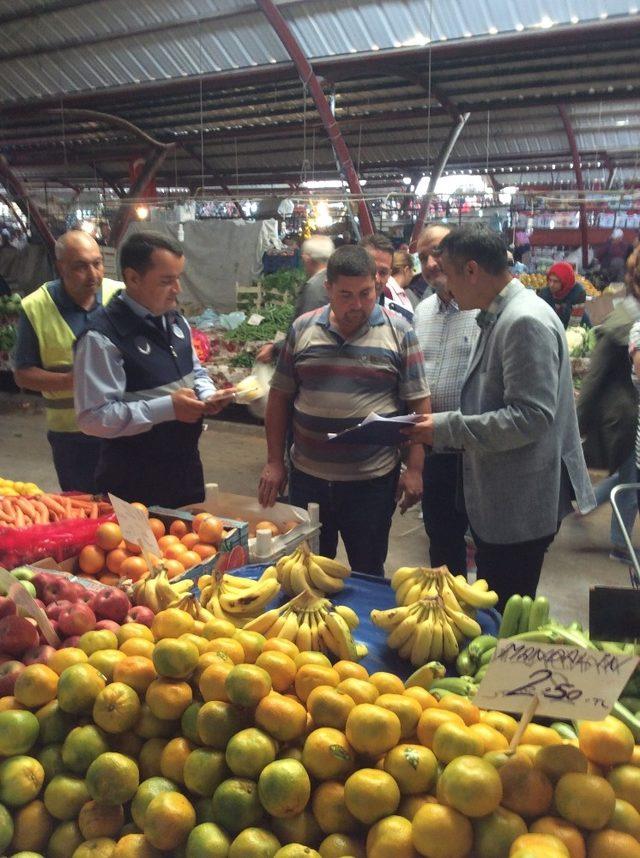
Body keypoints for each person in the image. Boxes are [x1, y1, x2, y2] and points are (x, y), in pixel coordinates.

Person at [403, 224, 595, 607]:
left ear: (472, 270)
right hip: (501, 497)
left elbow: (530, 418)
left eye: (450, 275)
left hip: (518, 502)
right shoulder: (500, 314)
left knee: (506, 612)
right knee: (494, 605)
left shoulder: (523, 321)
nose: (449, 288)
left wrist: (443, 428)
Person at [258, 245, 431, 576]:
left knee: (367, 569)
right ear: (328, 289)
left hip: (371, 483)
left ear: (377, 285)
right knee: (306, 570)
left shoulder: (400, 331)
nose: (357, 305)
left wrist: (415, 469)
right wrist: (273, 462)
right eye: (346, 295)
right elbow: (279, 398)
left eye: (366, 293)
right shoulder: (303, 329)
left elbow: (418, 404)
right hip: (308, 478)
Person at [74, 232, 233, 508]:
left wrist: (207, 396)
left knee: (191, 548)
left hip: (184, 472)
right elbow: (92, 417)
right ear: (133, 278)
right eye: (166, 281)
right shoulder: (103, 337)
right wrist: (168, 408)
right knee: (139, 551)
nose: (178, 289)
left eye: (178, 278)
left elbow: (194, 370)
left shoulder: (175, 321)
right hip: (133, 482)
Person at [13, 230, 123, 492]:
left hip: (121, 428)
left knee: (129, 509)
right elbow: (22, 373)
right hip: (71, 437)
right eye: (80, 267)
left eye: (97, 263)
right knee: (81, 508)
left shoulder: (120, 295)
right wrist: (74, 381)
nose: (93, 274)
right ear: (60, 267)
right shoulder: (36, 306)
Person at [413, 224, 479, 574]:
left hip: (477, 454)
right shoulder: (422, 312)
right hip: (435, 452)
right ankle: (444, 619)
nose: (430, 263)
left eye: (437, 251)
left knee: (487, 548)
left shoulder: (482, 310)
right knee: (440, 544)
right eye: (423, 256)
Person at [578, 247, 640, 563]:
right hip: (626, 415)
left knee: (631, 475)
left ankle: (585, 503)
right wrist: (577, 426)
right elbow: (594, 378)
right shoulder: (625, 320)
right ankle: (619, 544)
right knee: (632, 480)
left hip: (631, 414)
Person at [256, 235, 334, 364]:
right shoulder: (331, 280)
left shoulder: (315, 288)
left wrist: (274, 349)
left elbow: (304, 333)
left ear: (306, 258)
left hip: (312, 361)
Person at [360, 233, 413, 322]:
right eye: (370, 269)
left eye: (383, 273)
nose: (376, 279)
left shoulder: (402, 321)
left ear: (389, 274)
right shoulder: (333, 311)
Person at [538, 261, 586, 328]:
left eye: (556, 281)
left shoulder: (578, 293)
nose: (551, 285)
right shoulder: (544, 293)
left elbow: (574, 324)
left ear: (565, 281)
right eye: (550, 280)